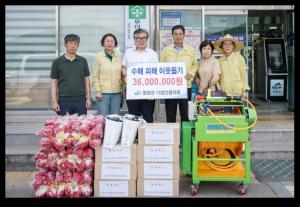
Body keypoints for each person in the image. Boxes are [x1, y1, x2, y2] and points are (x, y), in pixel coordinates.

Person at [160, 25, 198, 123]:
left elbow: (195, 64)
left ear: (184, 35)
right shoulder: (166, 50)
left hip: (185, 86)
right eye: (176, 34)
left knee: (185, 114)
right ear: (172, 35)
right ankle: (172, 136)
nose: (178, 36)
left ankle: (184, 137)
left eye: (180, 34)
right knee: (170, 113)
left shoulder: (190, 50)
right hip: (170, 87)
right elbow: (161, 66)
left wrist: (190, 73)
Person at [121, 28, 159, 123]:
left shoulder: (153, 54)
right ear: (134, 40)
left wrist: (153, 90)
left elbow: (157, 72)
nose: (141, 40)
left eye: (143, 38)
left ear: (147, 39)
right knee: (133, 116)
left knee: (148, 115)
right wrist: (124, 73)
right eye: (138, 38)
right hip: (132, 90)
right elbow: (123, 67)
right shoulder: (128, 52)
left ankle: (147, 137)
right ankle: (136, 137)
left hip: (148, 91)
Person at [51, 34, 92, 115]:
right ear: (65, 45)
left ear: (78, 45)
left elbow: (86, 80)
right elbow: (54, 82)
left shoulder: (83, 61)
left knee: (81, 126)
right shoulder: (57, 62)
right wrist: (54, 101)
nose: (73, 46)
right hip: (63, 100)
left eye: (75, 44)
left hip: (81, 100)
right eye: (70, 43)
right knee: (64, 126)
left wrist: (89, 98)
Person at [91, 33, 123, 116]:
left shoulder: (119, 57)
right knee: (103, 116)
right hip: (103, 93)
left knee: (115, 117)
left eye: (112, 41)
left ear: (115, 44)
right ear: (103, 43)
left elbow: (122, 74)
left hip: (117, 92)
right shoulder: (98, 57)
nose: (110, 43)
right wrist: (98, 91)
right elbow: (95, 75)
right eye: (107, 41)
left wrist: (123, 89)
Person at [213, 34, 249, 99]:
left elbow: (244, 75)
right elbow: (219, 76)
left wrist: (244, 91)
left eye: (230, 44)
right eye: (225, 44)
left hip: (238, 92)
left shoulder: (240, 58)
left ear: (233, 46)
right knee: (226, 109)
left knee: (238, 109)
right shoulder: (220, 60)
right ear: (222, 46)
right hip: (224, 92)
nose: (227, 46)